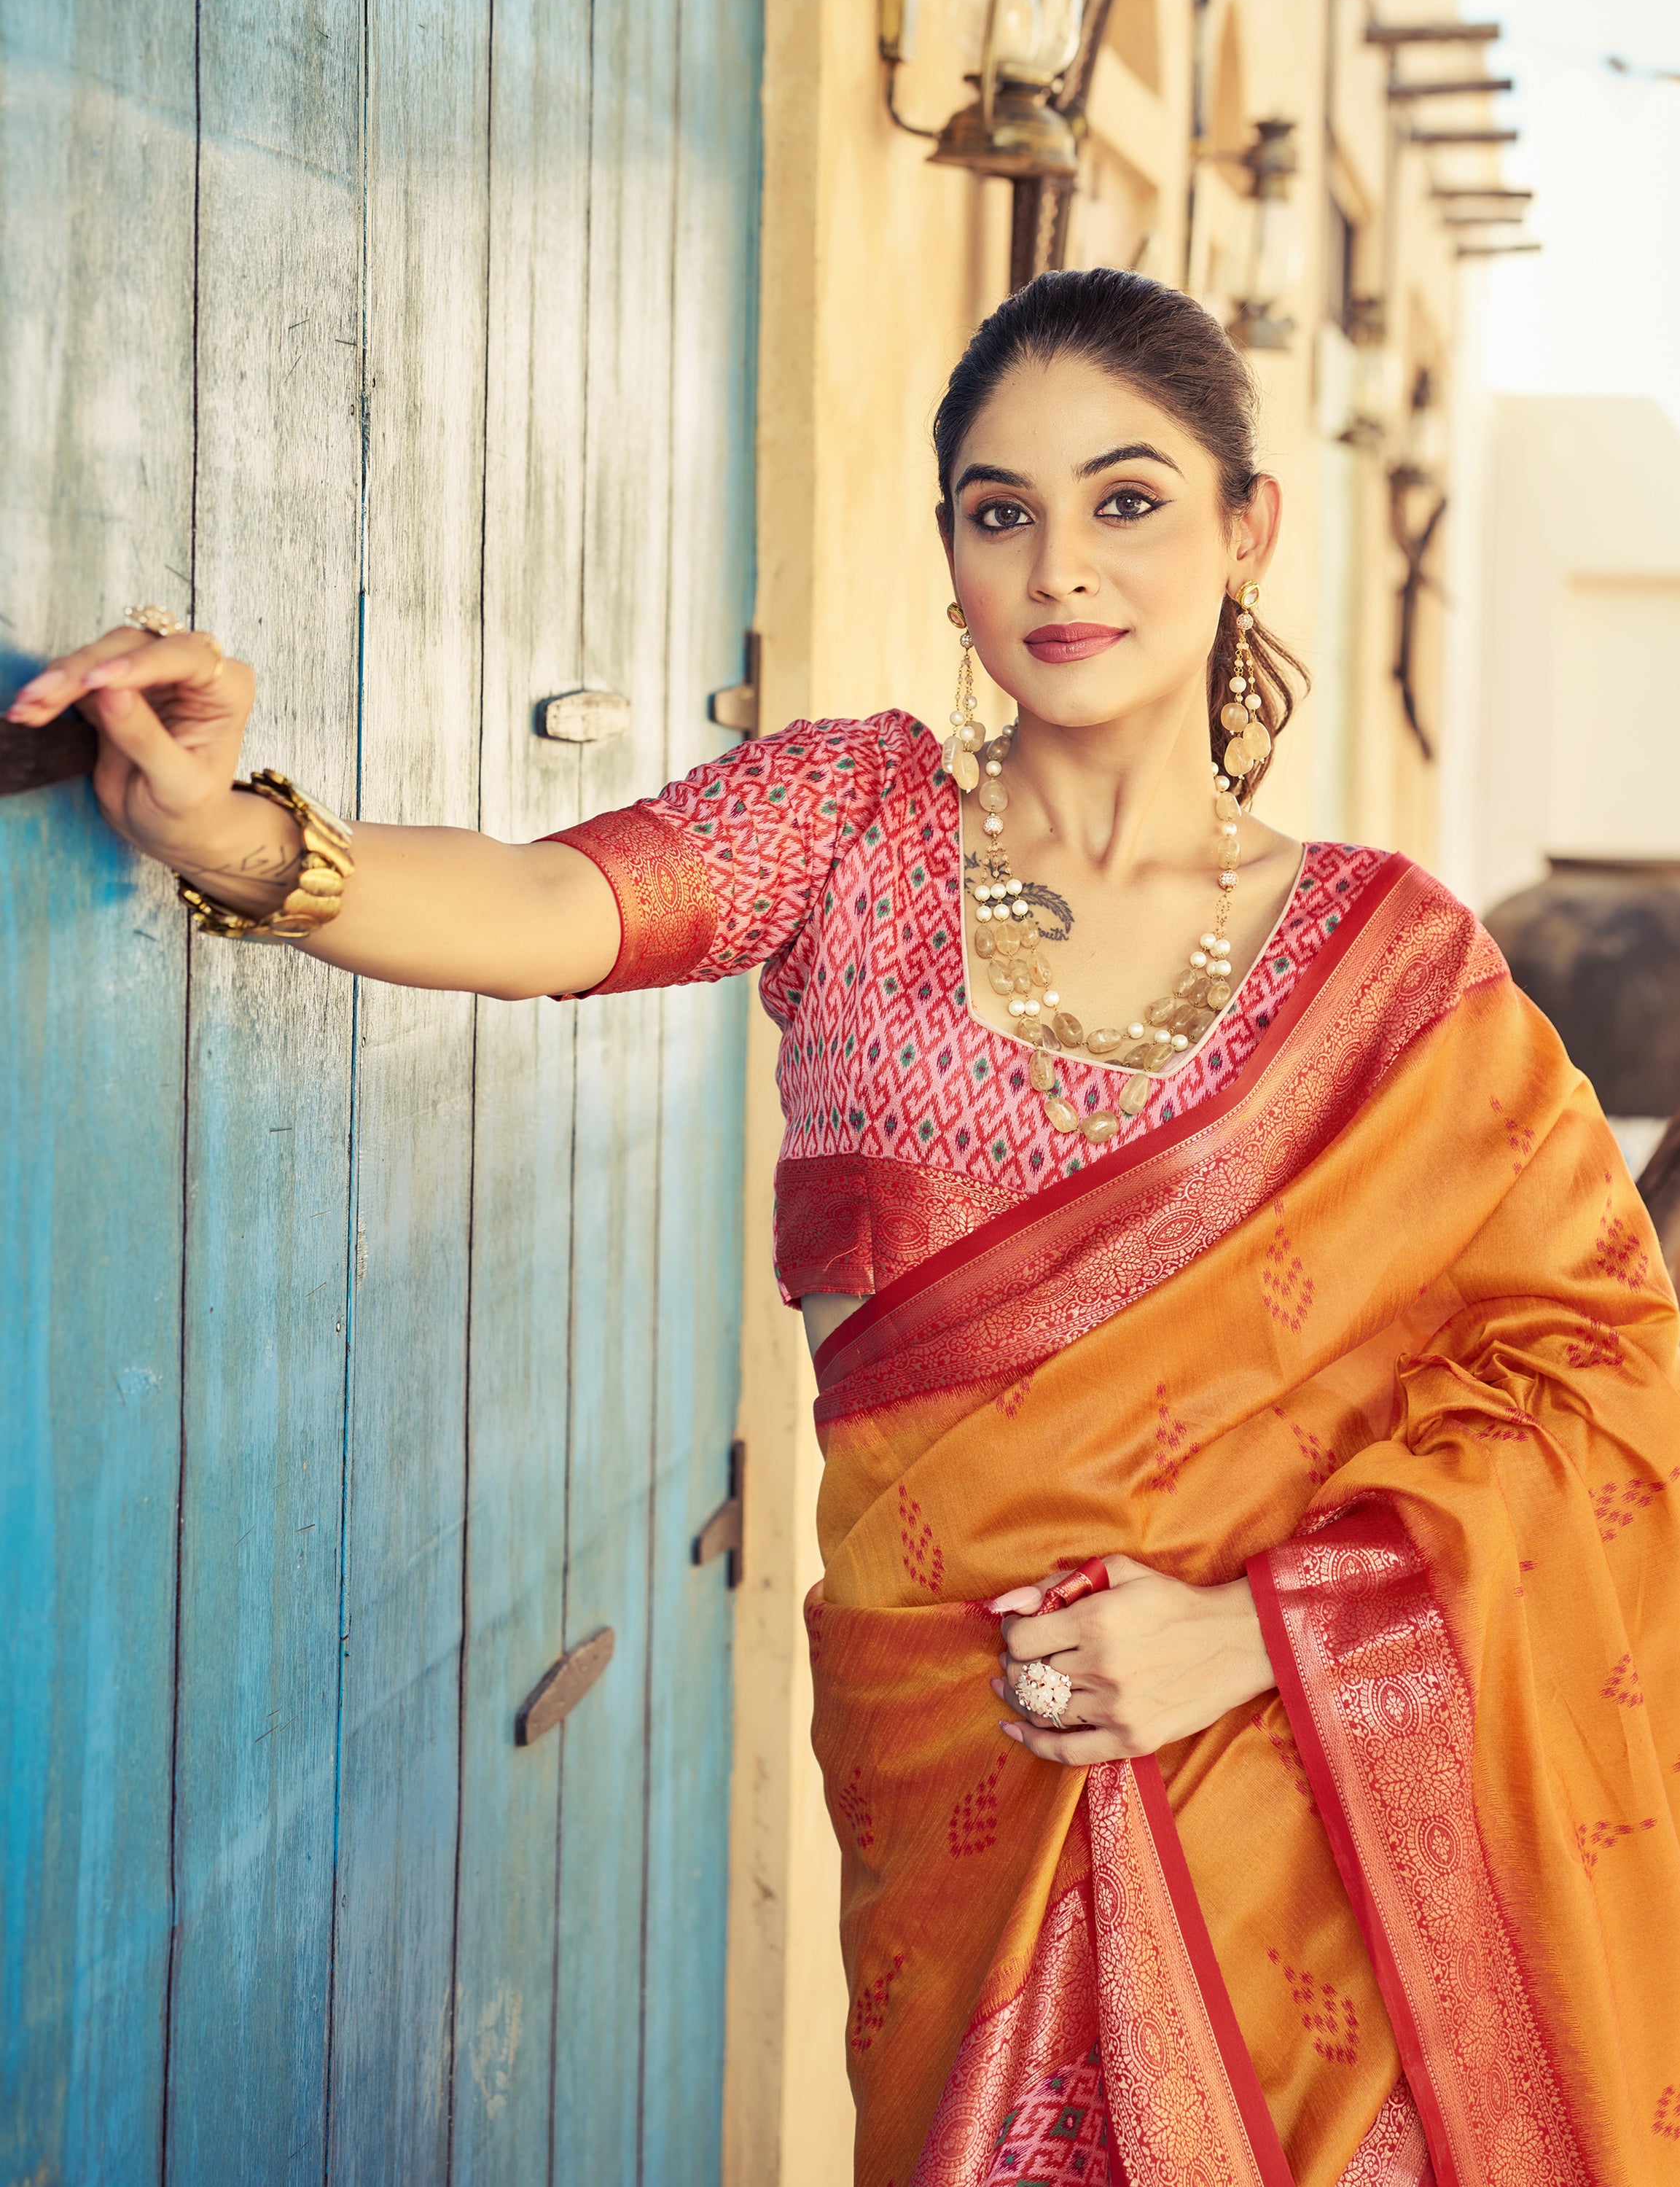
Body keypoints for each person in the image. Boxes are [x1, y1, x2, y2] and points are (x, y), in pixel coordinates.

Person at [12, 268, 1680, 2187]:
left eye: (1125, 500)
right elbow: (552, 910)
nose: (1061, 562)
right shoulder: (851, 820)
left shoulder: (1393, 970)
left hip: (1301, 1831)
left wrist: (1261, 1637)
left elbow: (1594, 1379)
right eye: (1000, 508)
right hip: (963, 1796)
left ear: (1245, 528)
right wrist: (240, 836)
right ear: (954, 554)